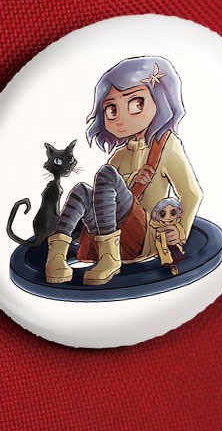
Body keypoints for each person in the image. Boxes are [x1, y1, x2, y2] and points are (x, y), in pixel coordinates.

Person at [44, 56, 202, 286]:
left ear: (161, 100)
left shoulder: (167, 145)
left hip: (145, 237)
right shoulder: (120, 154)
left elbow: (191, 194)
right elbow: (106, 198)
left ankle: (110, 259)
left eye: (136, 103)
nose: (120, 118)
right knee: (81, 191)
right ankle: (56, 259)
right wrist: (131, 179)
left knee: (106, 175)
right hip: (112, 233)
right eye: (111, 110)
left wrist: (180, 232)